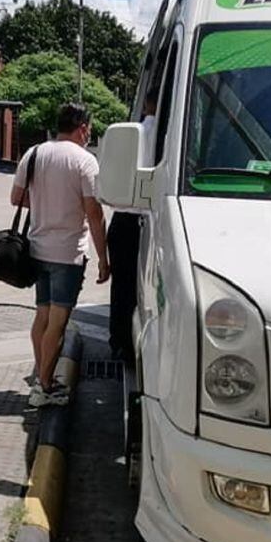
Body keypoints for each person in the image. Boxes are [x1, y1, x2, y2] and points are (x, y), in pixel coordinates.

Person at [11, 103, 110, 407]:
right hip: (68, 255)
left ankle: (43, 379)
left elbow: (16, 197)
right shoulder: (85, 161)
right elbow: (94, 214)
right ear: (82, 127)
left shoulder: (35, 153)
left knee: (42, 316)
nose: (88, 134)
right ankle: (44, 387)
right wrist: (104, 259)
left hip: (37, 249)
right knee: (57, 323)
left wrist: (45, 204)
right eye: (89, 129)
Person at [107, 89, 158, 361]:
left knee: (122, 285)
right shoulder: (171, 136)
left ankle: (119, 341)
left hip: (122, 220)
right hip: (149, 219)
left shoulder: (130, 134)